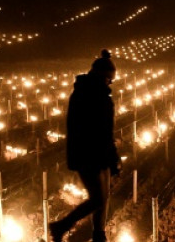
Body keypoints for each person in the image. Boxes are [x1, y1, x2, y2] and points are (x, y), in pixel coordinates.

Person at [49, 49, 122, 242]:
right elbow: (97, 129)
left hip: (100, 152)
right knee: (97, 198)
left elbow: (106, 130)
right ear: (102, 76)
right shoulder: (90, 95)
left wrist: (112, 156)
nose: (111, 83)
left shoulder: (92, 92)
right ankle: (61, 226)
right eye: (109, 79)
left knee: (103, 198)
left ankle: (99, 235)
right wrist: (110, 155)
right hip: (89, 154)